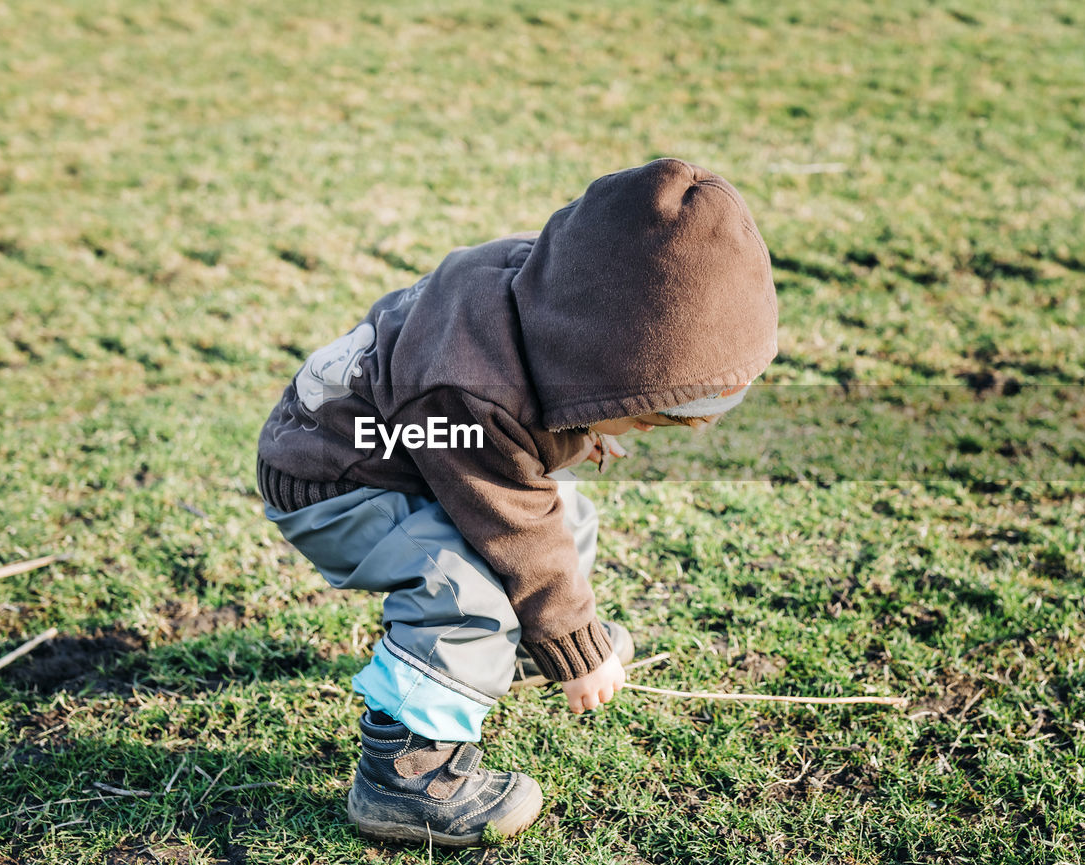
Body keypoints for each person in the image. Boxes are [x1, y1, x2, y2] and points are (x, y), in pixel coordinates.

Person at [256, 158, 778, 847]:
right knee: (466, 587)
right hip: (335, 481)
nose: (643, 432)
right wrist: (573, 639)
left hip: (416, 453)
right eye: (644, 418)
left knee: (569, 516)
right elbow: (510, 513)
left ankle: (517, 646)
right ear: (599, 361)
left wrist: (585, 424)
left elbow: (515, 439)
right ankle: (404, 772)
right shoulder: (465, 388)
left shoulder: (540, 298)